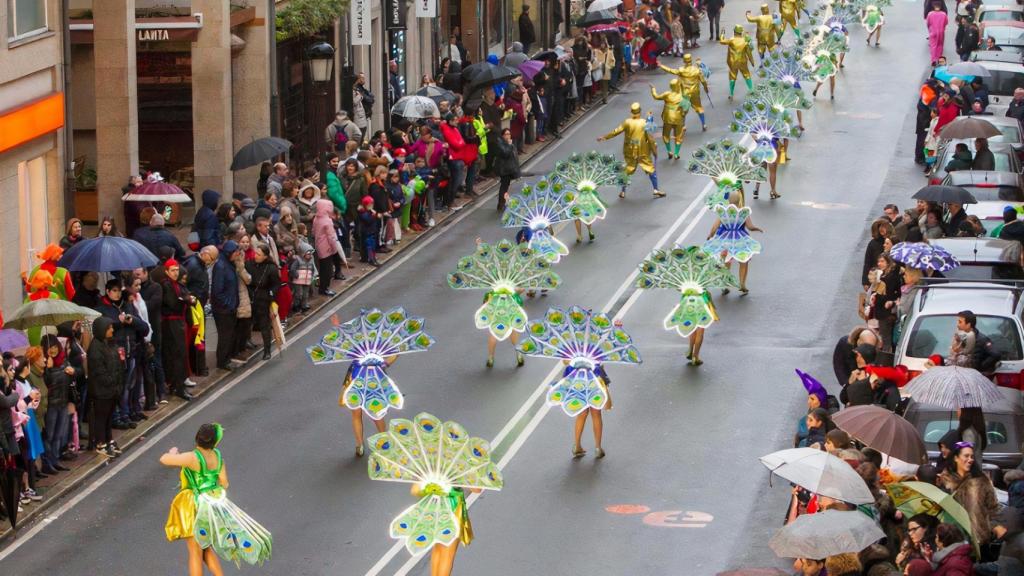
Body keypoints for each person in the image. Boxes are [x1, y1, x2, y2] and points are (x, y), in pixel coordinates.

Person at [161, 423, 272, 575]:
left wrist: (173, 452)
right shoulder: (218, 457)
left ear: (197, 438)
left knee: (195, 550)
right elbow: (224, 482)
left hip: (195, 505)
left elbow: (164, 459)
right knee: (205, 546)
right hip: (213, 506)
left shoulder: (192, 457)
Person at [939, 441, 999, 545]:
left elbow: (993, 507)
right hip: (952, 539)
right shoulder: (945, 481)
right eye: (966, 456)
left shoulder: (981, 480)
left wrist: (992, 529)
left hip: (978, 539)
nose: (970, 459)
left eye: (972, 457)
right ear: (956, 458)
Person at [598, 102, 662, 198]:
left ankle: (623, 191)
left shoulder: (627, 122)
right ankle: (656, 189)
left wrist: (605, 137)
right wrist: (654, 151)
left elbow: (616, 131)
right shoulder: (645, 122)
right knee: (650, 168)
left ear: (631, 112)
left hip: (630, 149)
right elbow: (651, 138)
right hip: (642, 150)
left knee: (627, 169)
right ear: (640, 111)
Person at [87, 317, 122, 458]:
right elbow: (99, 372)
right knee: (101, 417)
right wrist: (112, 381)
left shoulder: (108, 344)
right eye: (109, 328)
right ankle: (100, 442)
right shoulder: (95, 348)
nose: (112, 330)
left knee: (108, 416)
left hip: (111, 389)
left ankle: (109, 439)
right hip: (101, 391)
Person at [160, 259, 194, 401]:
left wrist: (189, 299)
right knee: (177, 355)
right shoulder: (166, 285)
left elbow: (185, 296)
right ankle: (178, 387)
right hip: (172, 324)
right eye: (172, 270)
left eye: (177, 270)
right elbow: (173, 303)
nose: (176, 273)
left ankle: (177, 384)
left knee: (180, 354)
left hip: (180, 323)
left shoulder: (177, 284)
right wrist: (186, 299)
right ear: (167, 271)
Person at [569, 362, 611, 459]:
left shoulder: (573, 348)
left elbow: (566, 361)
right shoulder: (595, 347)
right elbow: (601, 362)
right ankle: (598, 448)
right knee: (596, 413)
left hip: (578, 379)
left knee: (581, 414)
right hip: (595, 378)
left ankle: (577, 446)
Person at [246, 244, 278, 361]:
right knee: (247, 324)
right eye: (256, 253)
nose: (256, 256)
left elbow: (275, 285)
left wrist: (271, 296)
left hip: (264, 300)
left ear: (265, 256)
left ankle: (267, 350)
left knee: (264, 326)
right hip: (251, 298)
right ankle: (246, 343)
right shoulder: (249, 264)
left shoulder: (271, 268)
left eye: (259, 254)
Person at [650, 80, 690, 160]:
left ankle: (669, 151)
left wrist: (653, 89)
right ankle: (676, 153)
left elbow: (656, 97)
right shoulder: (682, 95)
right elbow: (687, 105)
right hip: (679, 118)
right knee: (679, 136)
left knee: (666, 135)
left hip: (668, 117)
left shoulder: (667, 94)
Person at [720, 24, 756, 99]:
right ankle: (751, 89)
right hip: (743, 61)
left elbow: (722, 41)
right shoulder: (744, 41)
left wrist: (722, 33)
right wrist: (752, 61)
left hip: (733, 62)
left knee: (732, 77)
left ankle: (731, 93)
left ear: (735, 32)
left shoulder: (731, 40)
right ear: (741, 32)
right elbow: (749, 53)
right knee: (746, 74)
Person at [492, 128, 520, 212]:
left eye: (509, 134)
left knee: (505, 186)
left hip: (509, 168)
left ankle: (502, 203)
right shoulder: (501, 144)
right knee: (504, 187)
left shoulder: (508, 143)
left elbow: (514, 156)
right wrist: (510, 145)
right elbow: (506, 153)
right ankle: (501, 204)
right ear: (503, 135)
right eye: (506, 134)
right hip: (504, 169)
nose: (508, 136)